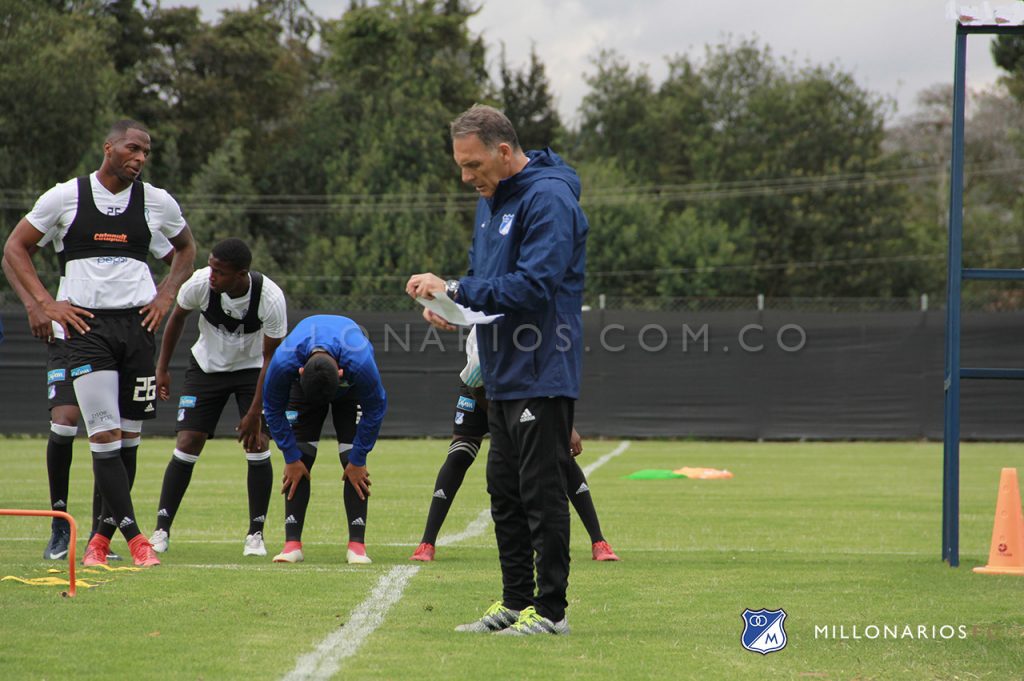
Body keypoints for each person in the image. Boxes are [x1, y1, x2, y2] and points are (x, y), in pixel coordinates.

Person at [406, 104, 588, 636]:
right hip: (500, 369)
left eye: (473, 165)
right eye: (461, 166)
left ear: (504, 152)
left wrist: (458, 289)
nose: (466, 177)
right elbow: (483, 277)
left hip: (543, 366)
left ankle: (552, 612)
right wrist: (451, 307)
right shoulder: (492, 199)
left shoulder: (550, 198)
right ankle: (515, 602)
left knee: (541, 493)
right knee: (503, 492)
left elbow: (535, 284)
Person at [3, 118, 196, 568]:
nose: (140, 158)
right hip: (86, 330)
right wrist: (44, 304)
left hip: (138, 329)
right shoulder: (65, 196)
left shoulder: (156, 202)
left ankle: (98, 539)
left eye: (146, 152)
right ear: (108, 147)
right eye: (133, 148)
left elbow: (186, 249)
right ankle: (136, 539)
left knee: (128, 441)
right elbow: (15, 247)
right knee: (102, 433)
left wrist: (166, 295)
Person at [3, 234, 175, 561]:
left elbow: (180, 254)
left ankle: (101, 535)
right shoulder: (70, 208)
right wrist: (34, 305)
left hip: (120, 336)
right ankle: (60, 526)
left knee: (115, 433)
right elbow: (11, 255)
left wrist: (162, 295)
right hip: (68, 335)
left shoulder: (143, 213)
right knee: (65, 422)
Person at [410, 328, 618, 563]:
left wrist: (566, 427)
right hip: (479, 392)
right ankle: (427, 543)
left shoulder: (541, 333)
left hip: (524, 395)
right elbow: (475, 384)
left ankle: (599, 542)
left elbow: (553, 383)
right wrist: (505, 424)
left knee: (559, 453)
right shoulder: (485, 333)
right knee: (459, 455)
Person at [147, 238, 287, 557]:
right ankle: (161, 529)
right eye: (211, 266)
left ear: (241, 274)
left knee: (257, 444)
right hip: (207, 366)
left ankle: (255, 534)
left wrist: (254, 413)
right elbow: (177, 317)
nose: (212, 275)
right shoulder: (200, 283)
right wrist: (162, 368)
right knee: (187, 441)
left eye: (220, 271)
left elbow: (271, 360)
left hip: (253, 370)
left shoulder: (270, 298)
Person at [262, 315, 387, 564]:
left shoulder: (360, 361)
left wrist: (359, 458)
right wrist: (290, 455)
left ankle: (357, 546)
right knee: (301, 456)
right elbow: (272, 409)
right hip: (307, 387)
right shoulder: (284, 359)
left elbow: (376, 408)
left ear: (342, 372)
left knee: (351, 459)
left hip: (350, 391)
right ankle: (292, 544)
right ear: (298, 372)